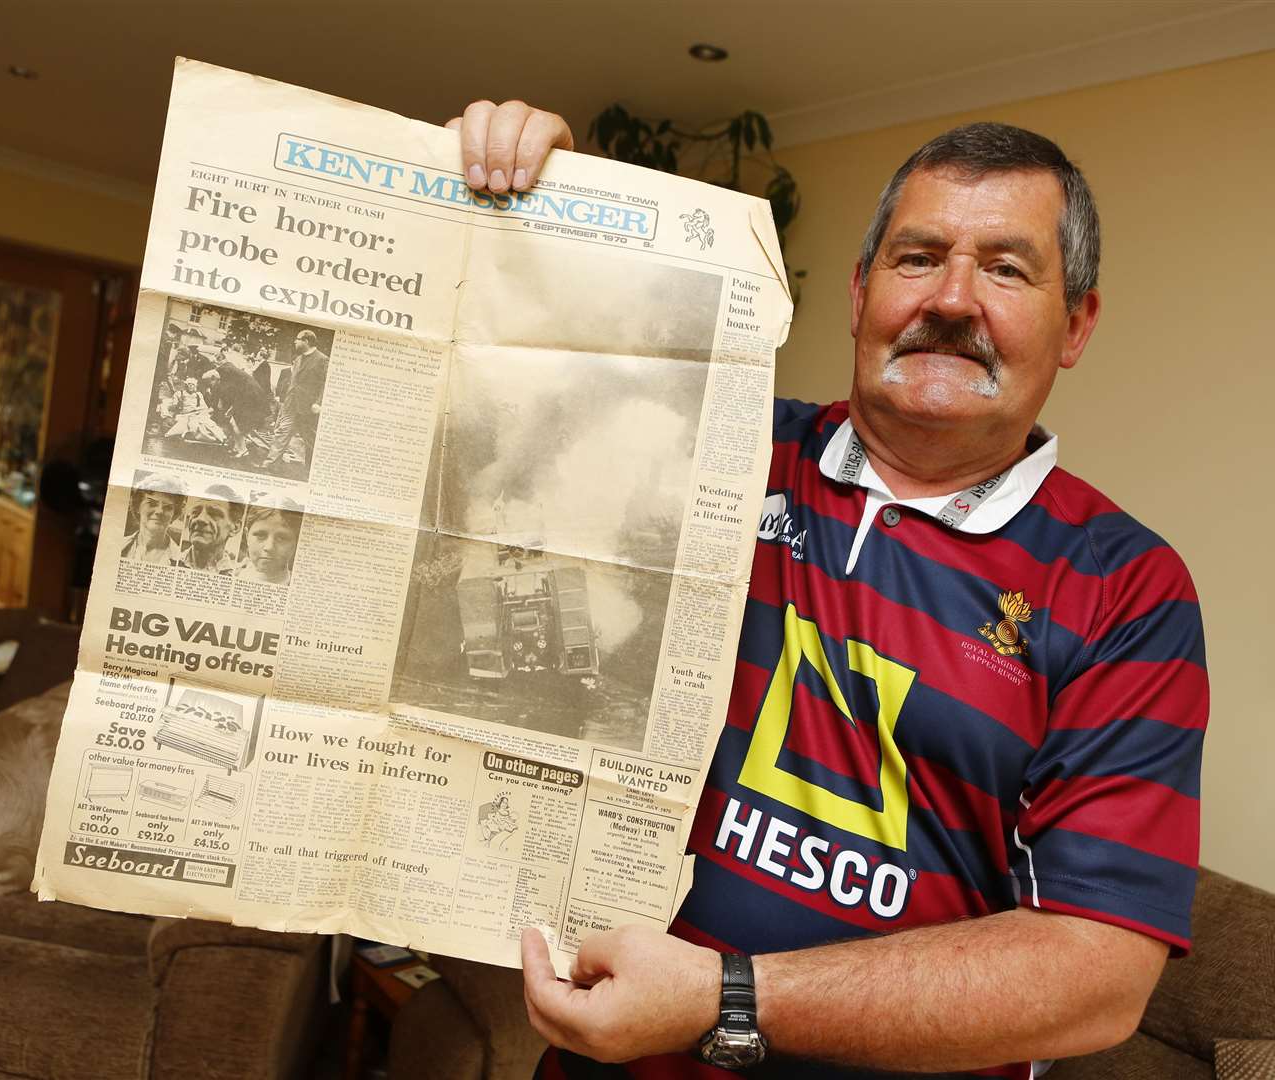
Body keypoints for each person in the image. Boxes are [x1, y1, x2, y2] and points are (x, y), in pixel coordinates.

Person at [449, 102, 1208, 1078]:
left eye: (1007, 269)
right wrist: (549, 199)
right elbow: (509, 401)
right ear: (859, 293)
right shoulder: (719, 446)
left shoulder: (1127, 590)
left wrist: (724, 999)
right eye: (917, 257)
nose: (953, 299)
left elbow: (1099, 975)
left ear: (1078, 324)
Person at [262, 328, 328, 469]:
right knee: (281, 433)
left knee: (309, 439)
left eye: (297, 339)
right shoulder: (298, 359)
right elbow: (293, 383)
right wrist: (285, 404)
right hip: (291, 405)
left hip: (308, 408)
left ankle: (311, 468)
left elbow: (325, 384)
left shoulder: (322, 359)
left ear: (306, 341)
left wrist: (318, 403)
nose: (295, 342)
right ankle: (270, 463)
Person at [176, 484, 244, 572]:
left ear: (235, 528)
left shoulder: (239, 574)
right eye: (195, 512)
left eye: (214, 514)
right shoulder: (167, 560)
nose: (200, 519)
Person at [234, 502, 302, 584]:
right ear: (247, 536)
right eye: (260, 535)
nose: (269, 547)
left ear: (295, 543)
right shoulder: (231, 574)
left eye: (282, 538)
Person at [121, 478, 184, 564]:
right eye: (151, 504)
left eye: (168, 507)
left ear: (174, 514)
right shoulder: (119, 545)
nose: (160, 511)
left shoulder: (181, 557)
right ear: (137, 507)